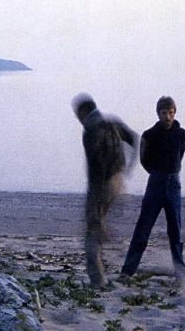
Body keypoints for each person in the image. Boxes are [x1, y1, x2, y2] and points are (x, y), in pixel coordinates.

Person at [72, 93, 139, 289]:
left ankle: (97, 281)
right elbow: (134, 138)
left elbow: (95, 161)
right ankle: (104, 231)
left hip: (101, 185)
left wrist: (96, 190)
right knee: (98, 225)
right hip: (117, 182)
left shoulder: (90, 129)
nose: (78, 119)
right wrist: (126, 169)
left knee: (91, 231)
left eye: (78, 115)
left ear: (83, 112)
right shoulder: (112, 122)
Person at [121, 96, 185, 281]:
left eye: (171, 113)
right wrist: (158, 174)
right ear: (158, 114)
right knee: (143, 229)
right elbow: (145, 161)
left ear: (175, 113)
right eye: (164, 113)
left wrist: (170, 174)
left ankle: (180, 272)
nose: (168, 117)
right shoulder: (149, 135)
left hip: (174, 185)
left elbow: (179, 156)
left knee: (175, 231)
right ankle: (127, 271)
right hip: (155, 184)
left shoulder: (181, 134)